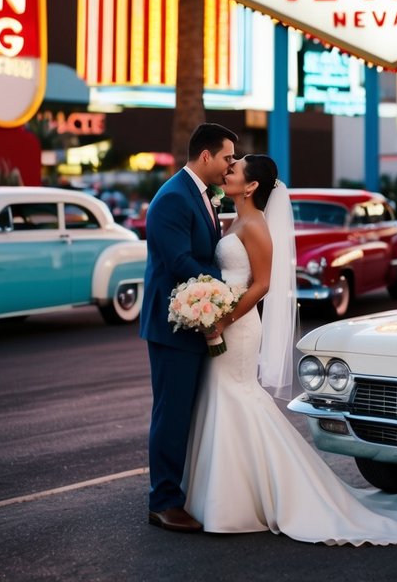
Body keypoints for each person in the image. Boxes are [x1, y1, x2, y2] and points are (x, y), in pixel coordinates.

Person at [183, 154, 397, 545]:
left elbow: (263, 284)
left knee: (235, 395)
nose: (228, 170)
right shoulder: (235, 218)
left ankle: (238, 501)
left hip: (238, 323)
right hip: (227, 317)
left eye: (234, 169)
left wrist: (223, 318)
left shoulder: (255, 225)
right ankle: (220, 496)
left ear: (251, 186)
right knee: (223, 397)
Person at [140, 122, 238, 532]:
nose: (231, 166)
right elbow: (180, 262)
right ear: (206, 157)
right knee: (172, 414)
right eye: (227, 158)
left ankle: (179, 490)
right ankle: (163, 501)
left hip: (193, 319)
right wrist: (229, 288)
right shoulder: (173, 199)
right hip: (174, 326)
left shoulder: (201, 196)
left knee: (186, 413)